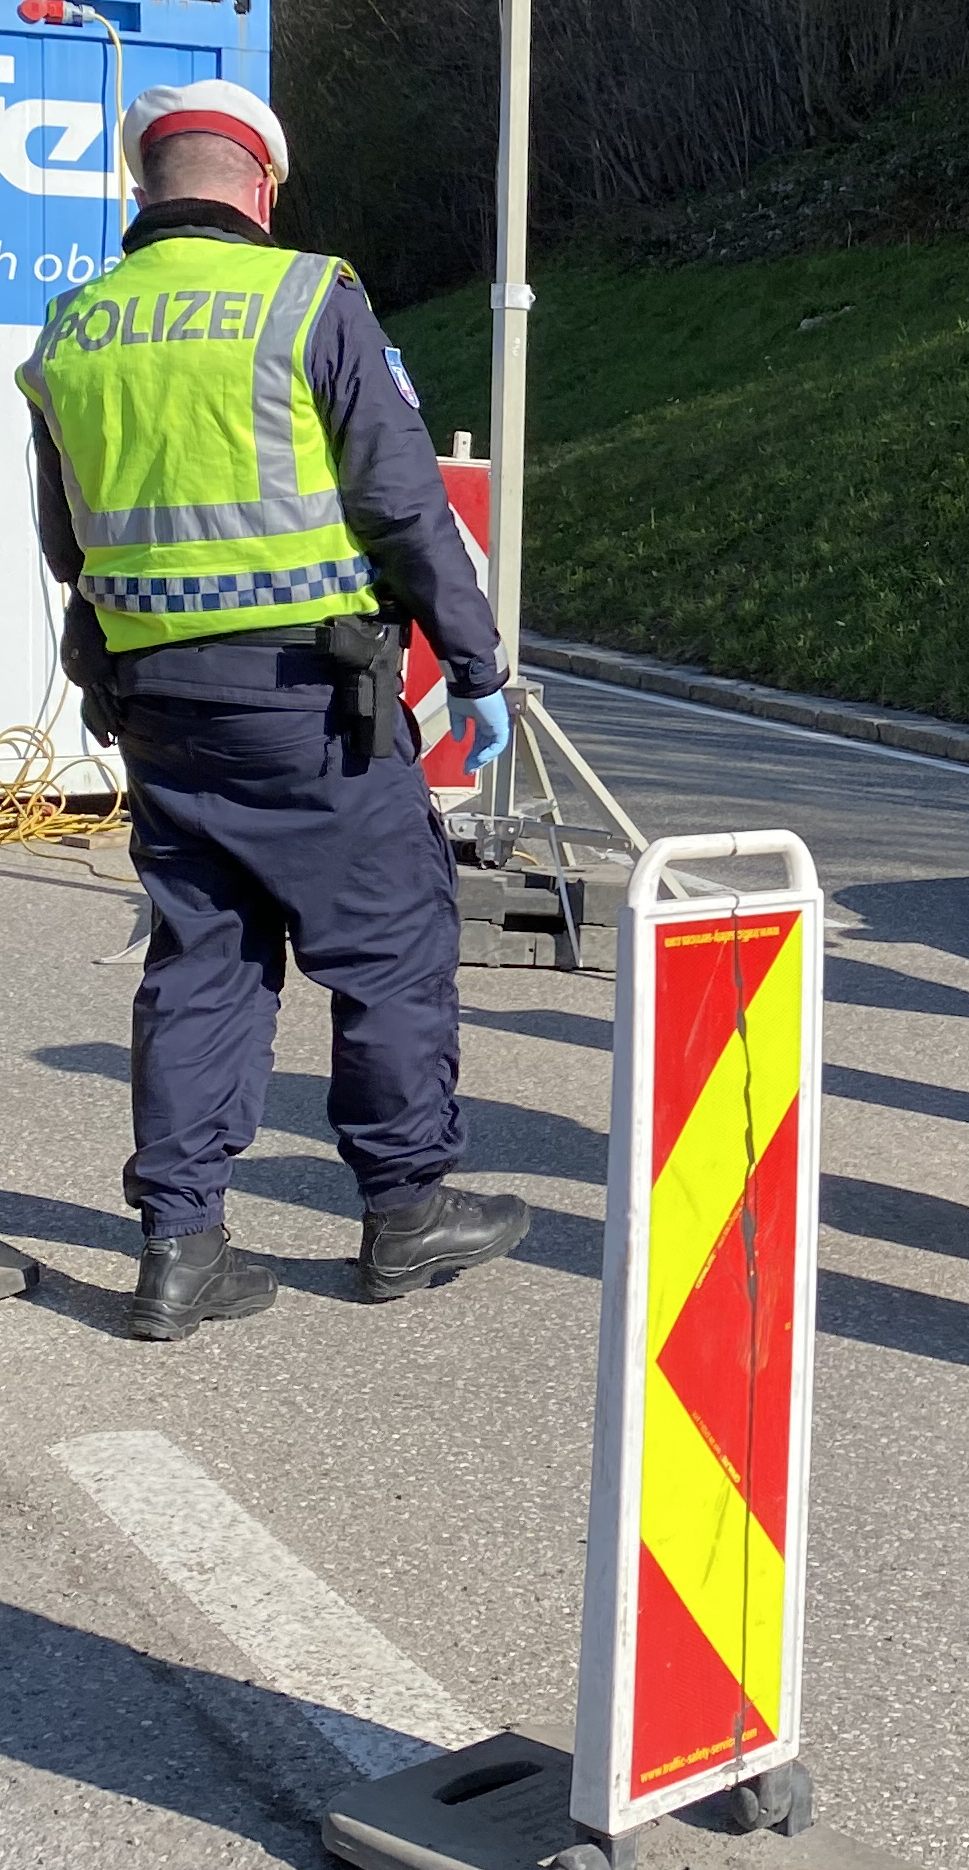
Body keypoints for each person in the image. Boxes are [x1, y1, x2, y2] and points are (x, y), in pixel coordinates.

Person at [18, 81, 531, 1340]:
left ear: (146, 186)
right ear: (262, 186)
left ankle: (180, 1247)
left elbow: (66, 539)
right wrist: (476, 664)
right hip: (313, 704)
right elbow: (404, 503)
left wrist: (102, 677)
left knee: (202, 961)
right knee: (390, 949)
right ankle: (404, 1211)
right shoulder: (310, 298)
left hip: (159, 705)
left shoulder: (76, 327)